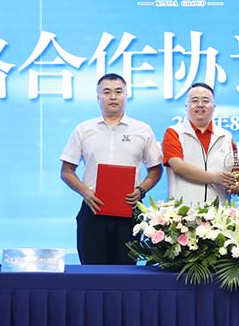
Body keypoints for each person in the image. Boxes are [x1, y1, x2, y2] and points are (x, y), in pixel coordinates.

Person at [60, 73, 163, 265]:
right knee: (92, 272)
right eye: (106, 92)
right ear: (98, 98)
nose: (113, 96)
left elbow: (156, 170)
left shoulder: (142, 130)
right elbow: (66, 171)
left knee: (125, 273)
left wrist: (141, 190)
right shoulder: (84, 129)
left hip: (129, 210)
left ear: (126, 95)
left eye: (118, 91)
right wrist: (85, 192)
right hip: (93, 209)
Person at [162, 82, 237, 206]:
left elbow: (235, 173)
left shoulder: (226, 136)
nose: (200, 105)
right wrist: (213, 178)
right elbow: (178, 167)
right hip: (183, 212)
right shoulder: (174, 132)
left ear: (214, 106)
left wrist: (237, 185)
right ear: (186, 106)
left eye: (206, 101)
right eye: (195, 101)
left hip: (220, 214)